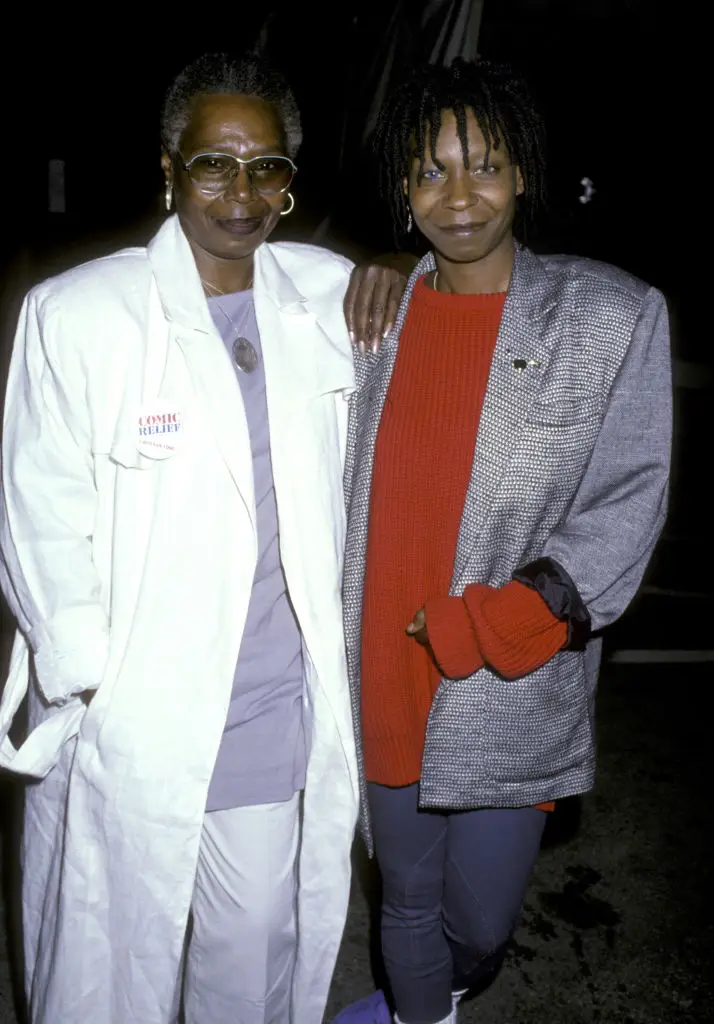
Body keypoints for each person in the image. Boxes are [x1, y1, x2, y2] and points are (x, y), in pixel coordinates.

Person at [0, 52, 403, 1024]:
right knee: (110, 960)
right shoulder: (81, 314)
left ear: (290, 180)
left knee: (250, 964)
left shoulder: (329, 296)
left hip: (269, 712)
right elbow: (38, 511)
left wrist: (404, 273)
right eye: (214, 164)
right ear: (169, 168)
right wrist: (91, 676)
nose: (242, 192)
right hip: (135, 711)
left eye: (267, 166)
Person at [336, 58, 672, 1024]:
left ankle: (428, 994)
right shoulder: (369, 321)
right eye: (429, 171)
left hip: (502, 672)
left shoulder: (607, 316)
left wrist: (499, 624)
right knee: (402, 896)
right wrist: (379, 272)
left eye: (482, 165)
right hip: (383, 665)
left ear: (522, 171)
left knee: (479, 928)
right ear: (403, 194)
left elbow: (628, 494)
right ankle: (417, 1013)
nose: (459, 194)